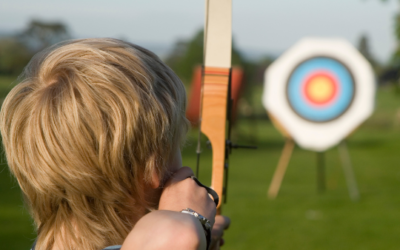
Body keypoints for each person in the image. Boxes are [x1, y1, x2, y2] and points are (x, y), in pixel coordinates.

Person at [0, 38, 230, 250]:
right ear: (153, 164)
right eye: (175, 145)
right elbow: (180, 237)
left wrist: (200, 230)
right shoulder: (178, 234)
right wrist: (191, 217)